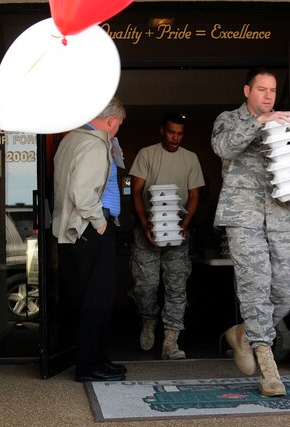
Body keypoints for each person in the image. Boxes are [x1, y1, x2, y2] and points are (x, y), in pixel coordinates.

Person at [211, 68, 290, 397]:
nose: (268, 96)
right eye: (261, 89)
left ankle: (242, 332)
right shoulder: (228, 119)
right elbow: (223, 149)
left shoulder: (287, 124)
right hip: (243, 218)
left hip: (281, 217)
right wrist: (259, 122)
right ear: (247, 90)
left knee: (286, 286)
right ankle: (269, 370)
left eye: (272, 90)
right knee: (255, 287)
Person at [53, 98, 128, 382]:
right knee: (98, 299)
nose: (118, 130)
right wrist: (100, 224)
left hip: (74, 230)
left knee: (88, 298)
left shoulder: (71, 139)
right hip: (89, 227)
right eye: (119, 125)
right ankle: (89, 366)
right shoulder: (94, 144)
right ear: (111, 121)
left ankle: (96, 358)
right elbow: (82, 193)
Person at [129, 112, 205, 359]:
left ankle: (171, 341)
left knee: (176, 286)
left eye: (180, 133)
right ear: (161, 131)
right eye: (171, 132)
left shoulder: (190, 158)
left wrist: (186, 222)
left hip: (177, 232)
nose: (175, 138)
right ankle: (149, 318)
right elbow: (137, 191)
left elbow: (194, 195)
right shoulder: (146, 154)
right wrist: (145, 224)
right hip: (148, 230)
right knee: (145, 285)